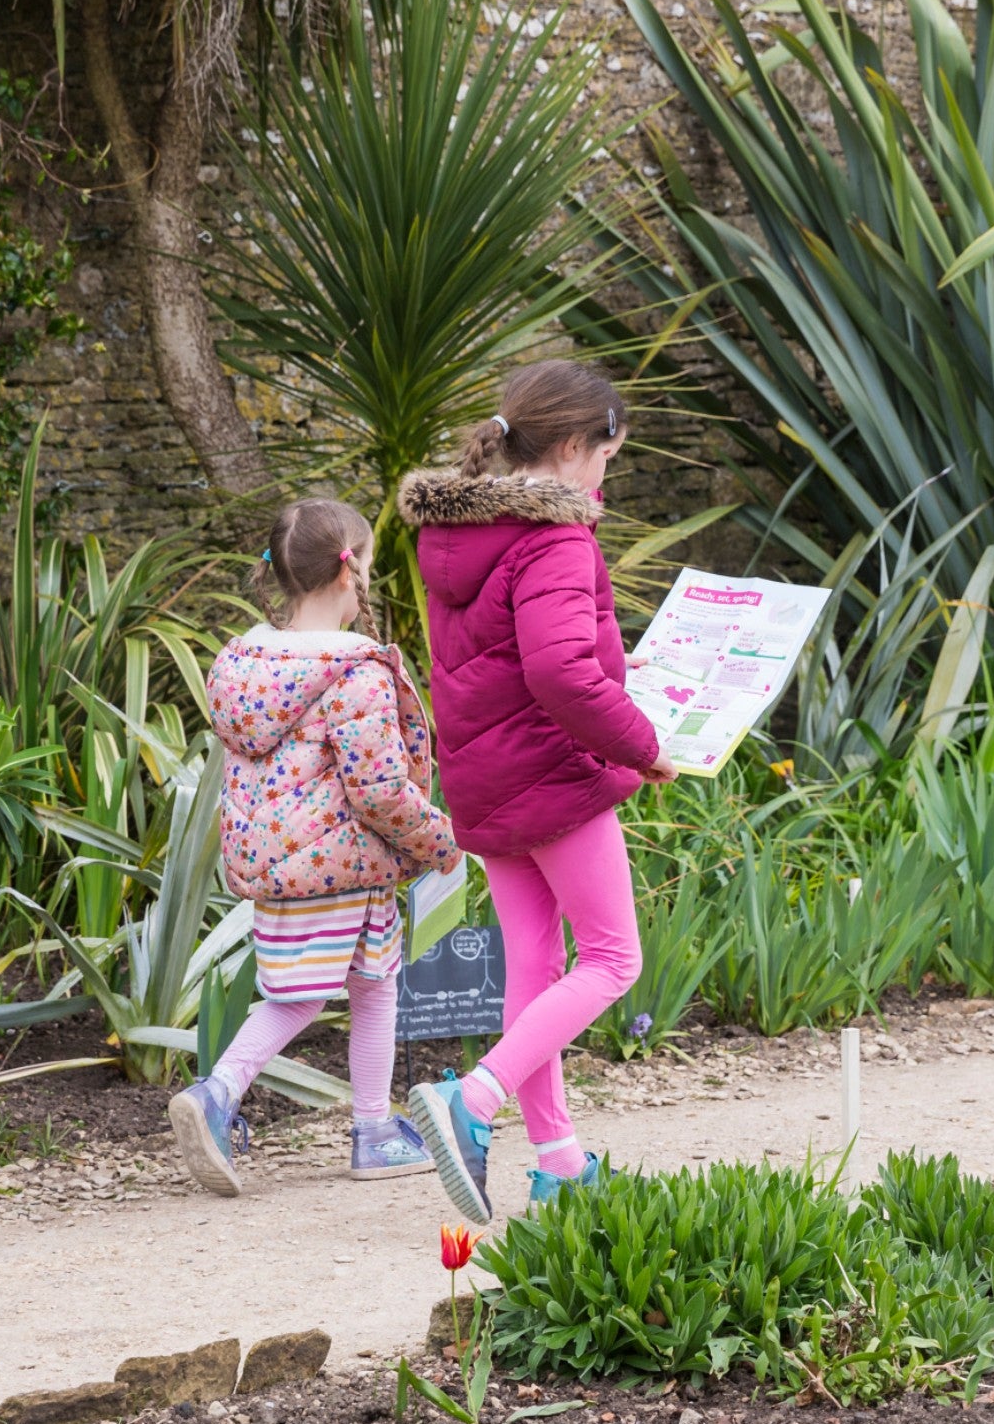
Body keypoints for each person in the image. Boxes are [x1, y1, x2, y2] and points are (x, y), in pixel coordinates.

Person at [398, 360, 677, 1222]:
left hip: (486, 775)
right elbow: (561, 671)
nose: (605, 476)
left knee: (535, 963)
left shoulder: (456, 534)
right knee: (612, 959)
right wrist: (645, 746)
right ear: (567, 447)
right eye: (605, 457)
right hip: (554, 774)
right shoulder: (555, 539)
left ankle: (557, 1160)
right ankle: (470, 1103)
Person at [171, 498, 461, 1195]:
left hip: (284, 865)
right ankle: (219, 1094)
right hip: (344, 864)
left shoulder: (246, 661)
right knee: (311, 997)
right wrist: (442, 840)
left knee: (365, 982)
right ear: (347, 572)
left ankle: (375, 1128)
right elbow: (381, 789)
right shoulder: (354, 673)